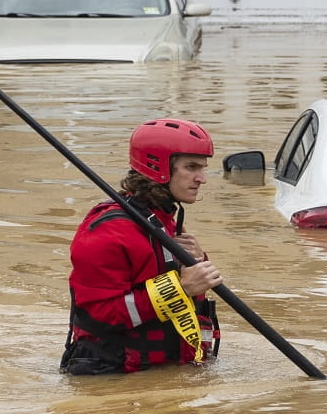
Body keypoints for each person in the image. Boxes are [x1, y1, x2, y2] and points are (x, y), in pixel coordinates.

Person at [61, 118, 223, 375]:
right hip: (111, 377)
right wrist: (180, 288)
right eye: (191, 167)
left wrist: (196, 262)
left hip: (163, 371)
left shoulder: (162, 222)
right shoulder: (108, 232)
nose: (202, 179)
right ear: (158, 167)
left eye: (203, 168)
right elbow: (98, 315)